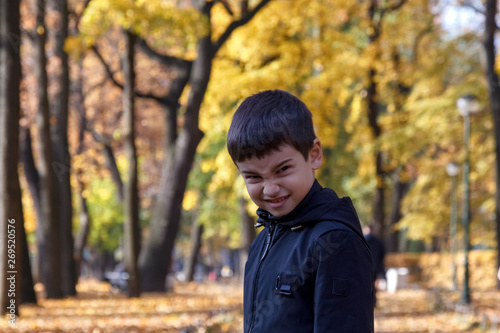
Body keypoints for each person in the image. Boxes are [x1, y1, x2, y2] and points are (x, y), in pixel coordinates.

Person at [227, 89, 374, 332]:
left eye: (283, 169)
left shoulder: (334, 241)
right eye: (253, 177)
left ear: (314, 155)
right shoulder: (263, 240)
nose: (271, 189)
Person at [363, 224, 386, 307]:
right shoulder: (378, 241)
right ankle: (373, 301)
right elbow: (382, 254)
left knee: (366, 284)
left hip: (365, 266)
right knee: (373, 284)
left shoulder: (363, 240)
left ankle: (368, 301)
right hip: (376, 266)